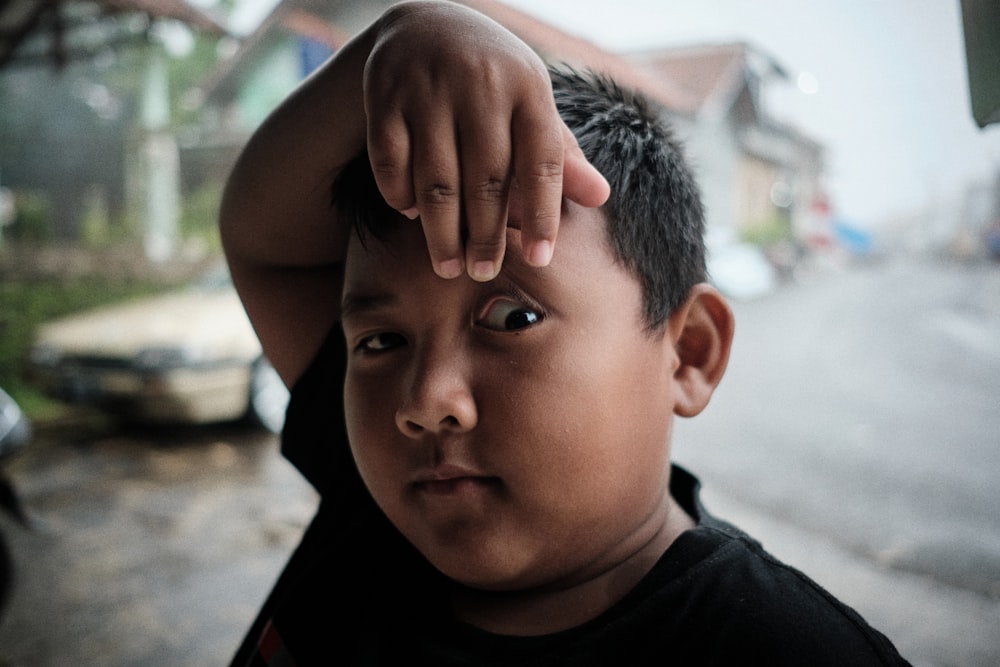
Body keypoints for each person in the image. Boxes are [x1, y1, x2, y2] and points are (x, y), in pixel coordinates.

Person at [221, 2, 909, 664]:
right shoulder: (373, 511)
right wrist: (392, 43)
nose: (426, 400)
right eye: (379, 342)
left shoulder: (784, 648)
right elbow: (262, 242)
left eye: (514, 317)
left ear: (688, 351)